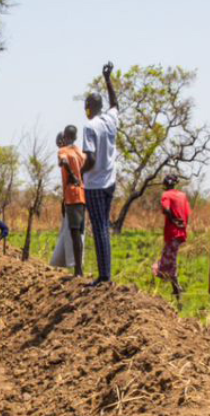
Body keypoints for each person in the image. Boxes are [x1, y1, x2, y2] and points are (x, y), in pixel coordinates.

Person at [82, 61, 120, 286]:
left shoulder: (91, 126)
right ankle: (105, 273)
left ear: (88, 106)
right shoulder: (110, 120)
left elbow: (91, 159)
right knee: (103, 226)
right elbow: (115, 104)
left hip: (95, 184)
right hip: (110, 181)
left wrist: (79, 172)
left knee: (99, 228)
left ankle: (104, 276)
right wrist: (108, 80)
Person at [152, 175, 191, 304]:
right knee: (170, 260)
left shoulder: (166, 195)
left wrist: (173, 220)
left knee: (166, 263)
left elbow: (166, 209)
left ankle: (177, 289)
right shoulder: (183, 196)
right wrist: (183, 227)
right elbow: (187, 214)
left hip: (172, 232)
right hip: (180, 233)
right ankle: (176, 289)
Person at [59, 125, 87, 277]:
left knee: (75, 233)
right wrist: (80, 178)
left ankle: (78, 270)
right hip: (83, 194)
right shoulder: (80, 152)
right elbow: (87, 166)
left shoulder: (63, 151)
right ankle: (78, 268)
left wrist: (72, 175)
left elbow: (63, 162)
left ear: (65, 136)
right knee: (79, 233)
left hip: (72, 194)